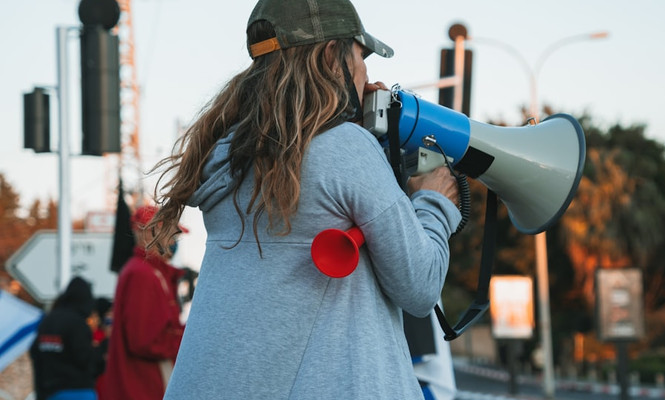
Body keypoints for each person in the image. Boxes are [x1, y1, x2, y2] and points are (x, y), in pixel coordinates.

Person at [147, 0, 460, 398]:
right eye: (361, 56)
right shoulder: (345, 149)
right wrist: (434, 202)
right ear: (333, 56)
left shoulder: (224, 154)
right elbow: (420, 286)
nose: (366, 74)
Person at [101, 205, 186, 400]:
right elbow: (145, 341)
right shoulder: (143, 275)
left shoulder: (147, 272)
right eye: (170, 233)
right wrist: (190, 339)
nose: (174, 241)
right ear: (150, 233)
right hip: (144, 389)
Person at [30, 276, 104, 400]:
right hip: (78, 391)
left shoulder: (48, 321)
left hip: (50, 392)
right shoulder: (77, 323)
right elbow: (85, 359)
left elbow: (35, 353)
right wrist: (103, 351)